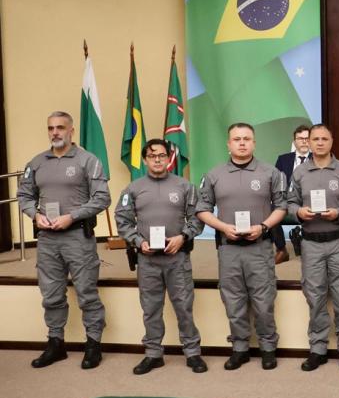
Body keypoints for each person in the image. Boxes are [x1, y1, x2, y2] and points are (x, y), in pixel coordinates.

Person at [17, 111, 110, 369]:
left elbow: (102, 198)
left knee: (87, 293)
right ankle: (56, 343)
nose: (55, 132)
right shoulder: (36, 163)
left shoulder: (88, 160)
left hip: (77, 237)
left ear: (72, 131)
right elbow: (24, 196)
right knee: (51, 294)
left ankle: (93, 344)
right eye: (50, 128)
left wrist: (72, 216)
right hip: (47, 239)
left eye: (60, 127)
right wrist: (34, 215)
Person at [196, 123, 287, 371]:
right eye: (237, 139)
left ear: (254, 143)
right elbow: (201, 209)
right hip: (229, 248)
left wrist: (264, 227)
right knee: (233, 300)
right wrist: (223, 227)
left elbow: (282, 207)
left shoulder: (271, 173)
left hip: (260, 246)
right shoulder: (213, 175)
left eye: (247, 138)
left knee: (264, 300)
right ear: (228, 144)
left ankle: (269, 347)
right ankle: (240, 348)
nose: (242, 143)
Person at [114, 139, 206, 374]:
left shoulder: (185, 186)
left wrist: (182, 237)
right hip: (147, 260)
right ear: (145, 160)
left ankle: (193, 353)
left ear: (169, 158)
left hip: (177, 258)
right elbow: (123, 220)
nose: (157, 159)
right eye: (152, 156)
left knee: (184, 306)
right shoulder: (133, 189)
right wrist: (137, 242)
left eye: (162, 155)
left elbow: (197, 218)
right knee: (151, 308)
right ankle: (153, 354)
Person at [286, 124, 339, 372]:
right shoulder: (299, 173)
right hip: (311, 244)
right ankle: (318, 348)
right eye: (314, 138)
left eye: (323, 138)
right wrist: (298, 212)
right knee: (314, 297)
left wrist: (338, 213)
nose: (318, 143)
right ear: (307, 142)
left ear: (331, 141)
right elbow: (289, 203)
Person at [271, 124, 311, 264]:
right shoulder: (283, 159)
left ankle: (312, 249)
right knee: (270, 210)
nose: (304, 141)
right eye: (300, 139)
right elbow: (275, 182)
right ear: (294, 142)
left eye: (307, 138)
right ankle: (282, 250)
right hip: (287, 202)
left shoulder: (318, 158)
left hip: (310, 202)